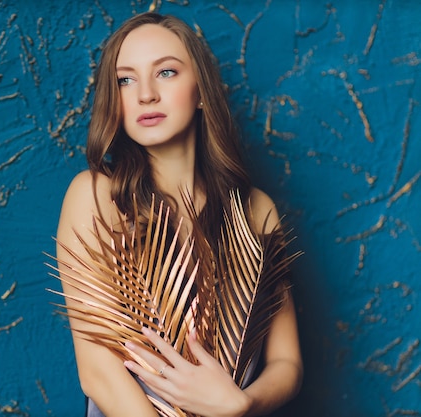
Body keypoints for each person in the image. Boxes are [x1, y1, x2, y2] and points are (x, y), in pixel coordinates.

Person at [55, 12, 303, 417]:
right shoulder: (98, 196)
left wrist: (241, 404)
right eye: (125, 79)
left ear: (202, 91)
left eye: (166, 72)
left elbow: (287, 364)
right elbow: (97, 370)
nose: (145, 94)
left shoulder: (256, 210)